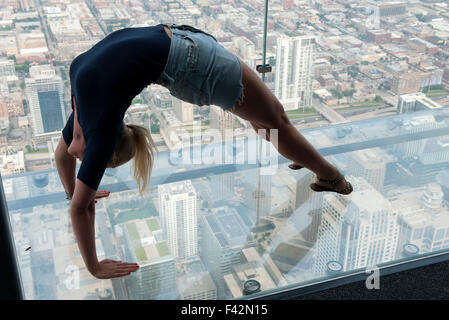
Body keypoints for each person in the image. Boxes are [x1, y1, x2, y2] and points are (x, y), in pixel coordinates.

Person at [55, 23, 353, 279]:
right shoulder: (82, 109)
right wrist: (75, 191)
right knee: (266, 119)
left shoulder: (101, 132)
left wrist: (93, 266)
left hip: (191, 64)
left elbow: (80, 207)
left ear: (103, 152)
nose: (85, 161)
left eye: (100, 166)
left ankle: (331, 177)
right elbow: (63, 158)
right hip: (181, 46)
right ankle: (302, 156)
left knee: (275, 122)